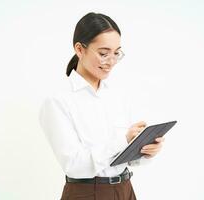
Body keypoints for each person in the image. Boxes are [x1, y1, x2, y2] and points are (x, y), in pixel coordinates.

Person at [39, 12, 165, 200]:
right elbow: (74, 164)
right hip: (87, 193)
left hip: (126, 189)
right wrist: (124, 139)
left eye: (116, 53)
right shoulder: (58, 101)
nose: (111, 62)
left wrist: (145, 150)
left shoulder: (117, 95)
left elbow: (123, 159)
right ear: (80, 49)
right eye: (104, 53)